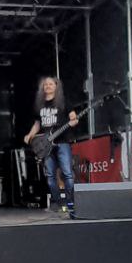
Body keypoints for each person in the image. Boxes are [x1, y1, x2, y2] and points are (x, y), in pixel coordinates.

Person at [24, 76, 78, 218]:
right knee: (50, 177)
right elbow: (37, 124)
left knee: (67, 173)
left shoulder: (64, 101)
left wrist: (73, 121)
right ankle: (60, 205)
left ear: (56, 86)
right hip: (46, 144)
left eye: (50, 84)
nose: (48, 86)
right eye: (45, 84)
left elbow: (73, 116)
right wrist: (30, 135)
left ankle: (70, 204)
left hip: (62, 142)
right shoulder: (39, 104)